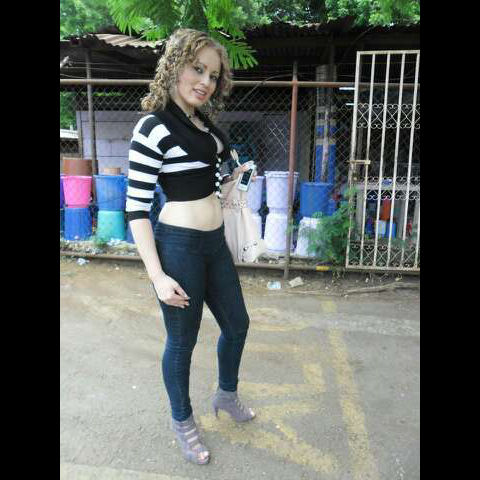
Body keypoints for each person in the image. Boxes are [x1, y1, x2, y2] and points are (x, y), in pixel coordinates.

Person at [126, 28, 256, 465]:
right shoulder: (153, 126)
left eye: (213, 75)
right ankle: (183, 421)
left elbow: (209, 180)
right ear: (174, 65)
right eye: (197, 69)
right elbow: (136, 208)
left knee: (237, 325)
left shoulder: (204, 125)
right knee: (182, 342)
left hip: (214, 244)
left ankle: (226, 395)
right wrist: (158, 277)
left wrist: (232, 179)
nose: (205, 81)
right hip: (179, 247)